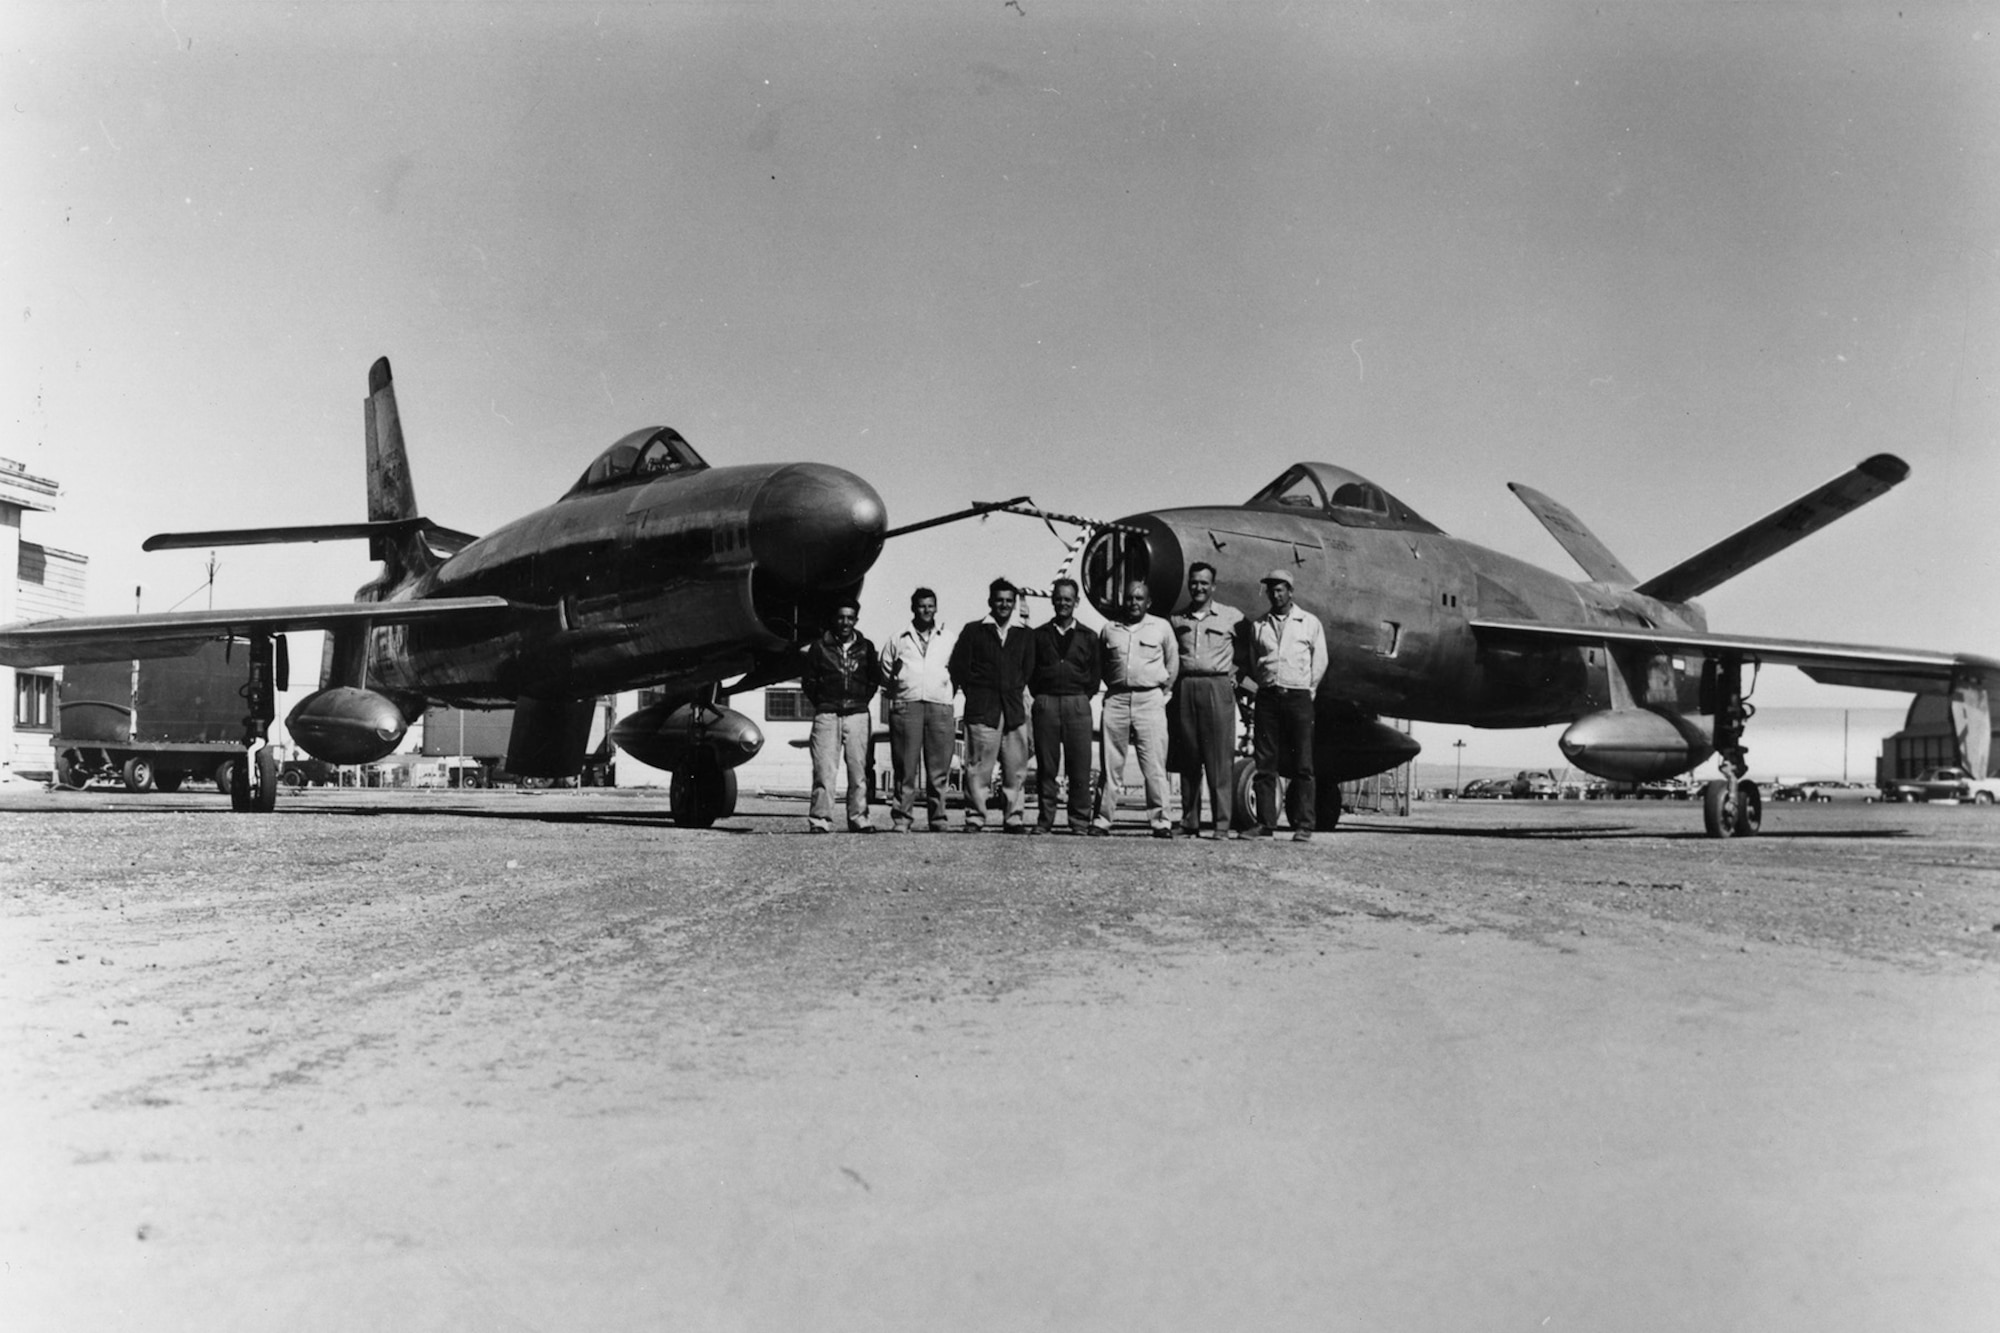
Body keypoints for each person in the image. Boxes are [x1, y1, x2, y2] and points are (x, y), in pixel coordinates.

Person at [947, 578, 1036, 833]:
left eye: (1009, 601)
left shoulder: (1025, 634)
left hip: (1014, 709)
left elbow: (1029, 669)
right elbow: (959, 668)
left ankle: (1014, 817)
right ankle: (975, 817)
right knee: (977, 767)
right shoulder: (973, 631)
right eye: (999, 600)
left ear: (1014, 604)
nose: (1004, 605)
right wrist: (977, 691)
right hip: (983, 709)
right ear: (990, 601)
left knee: (1016, 768)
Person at [1245, 569, 1328, 841]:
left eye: (1280, 589)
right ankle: (1266, 823)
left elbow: (1320, 661)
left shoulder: (1309, 623)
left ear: (1291, 592)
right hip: (1268, 696)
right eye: (1271, 589)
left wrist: (1308, 689)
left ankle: (1304, 825)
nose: (1275, 594)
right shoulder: (1259, 625)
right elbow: (1255, 659)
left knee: (1303, 763)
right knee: (1265, 762)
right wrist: (1267, 684)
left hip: (1298, 696)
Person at [1093, 578, 1179, 838]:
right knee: (1111, 765)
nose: (1133, 603)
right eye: (1130, 598)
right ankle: (1102, 819)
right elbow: (1103, 665)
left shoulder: (1161, 628)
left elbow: (1172, 664)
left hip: (1150, 700)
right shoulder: (1110, 629)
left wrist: (1160, 694)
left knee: (1153, 764)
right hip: (1117, 699)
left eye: (1139, 598)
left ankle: (1161, 821)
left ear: (1148, 602)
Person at [1170, 561, 1245, 839]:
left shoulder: (1232, 617)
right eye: (1194, 582)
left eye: (1204, 583)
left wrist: (1239, 674)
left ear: (1213, 586)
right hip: (1187, 686)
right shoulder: (1177, 620)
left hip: (1217, 687)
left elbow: (1249, 650)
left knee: (1218, 759)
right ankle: (1189, 821)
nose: (1198, 587)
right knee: (1188, 756)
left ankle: (1221, 824)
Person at [799, 597, 882, 833]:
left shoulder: (866, 647)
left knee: (858, 770)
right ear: (834, 619)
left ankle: (859, 817)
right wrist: (825, 702)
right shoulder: (820, 647)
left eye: (850, 617)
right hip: (827, 714)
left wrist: (860, 700)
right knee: (824, 770)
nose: (845, 622)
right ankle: (820, 820)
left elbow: (874, 679)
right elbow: (809, 682)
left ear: (856, 619)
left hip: (857, 714)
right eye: (841, 617)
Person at [878, 587, 956, 832]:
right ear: (913, 608)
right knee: (905, 767)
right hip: (907, 705)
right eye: (922, 606)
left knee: (939, 768)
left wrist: (944, 688)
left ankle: (938, 818)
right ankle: (902, 818)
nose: (926, 610)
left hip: (939, 705)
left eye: (931, 606)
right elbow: (885, 669)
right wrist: (901, 688)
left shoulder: (948, 638)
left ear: (936, 608)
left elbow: (957, 668)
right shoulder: (898, 638)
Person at [1028, 577, 1101, 835]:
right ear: (1052, 601)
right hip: (1046, 702)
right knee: (1047, 767)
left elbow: (1095, 675)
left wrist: (1080, 696)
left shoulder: (1089, 636)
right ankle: (1045, 819)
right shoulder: (1038, 635)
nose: (1063, 603)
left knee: (1080, 766)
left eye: (1068, 599)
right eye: (1058, 598)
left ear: (1076, 602)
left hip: (1078, 703)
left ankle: (1080, 820)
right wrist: (1043, 697)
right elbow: (1031, 673)